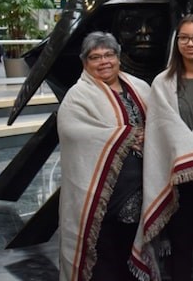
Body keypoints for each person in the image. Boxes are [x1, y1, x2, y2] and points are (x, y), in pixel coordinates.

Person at [129, 14, 193, 280]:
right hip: (175, 177)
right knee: (180, 245)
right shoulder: (162, 83)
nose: (191, 43)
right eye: (184, 38)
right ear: (176, 43)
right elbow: (160, 129)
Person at [57, 31, 150, 281]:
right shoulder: (78, 96)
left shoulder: (140, 87)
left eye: (109, 54)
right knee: (104, 255)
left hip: (142, 187)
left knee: (132, 251)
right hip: (101, 193)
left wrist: (150, 135)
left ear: (119, 57)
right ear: (85, 63)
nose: (104, 61)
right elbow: (73, 132)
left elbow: (158, 121)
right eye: (95, 57)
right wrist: (128, 136)